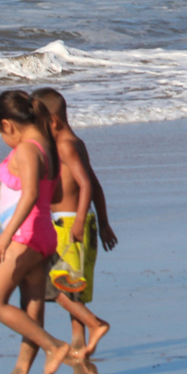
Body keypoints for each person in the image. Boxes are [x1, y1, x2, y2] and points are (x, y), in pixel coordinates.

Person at [0, 90, 80, 374]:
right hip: (43, 234)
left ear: (8, 125)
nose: (4, 139)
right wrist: (4, 193)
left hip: (24, 236)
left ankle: (54, 347)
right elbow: (32, 185)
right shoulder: (45, 146)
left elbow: (33, 194)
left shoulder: (26, 149)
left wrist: (6, 236)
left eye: (1, 133)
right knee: (32, 303)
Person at [34, 87, 117, 357]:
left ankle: (95, 325)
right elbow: (95, 184)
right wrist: (103, 223)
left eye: (38, 123)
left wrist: (81, 220)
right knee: (73, 292)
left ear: (53, 122)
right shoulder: (75, 143)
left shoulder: (66, 146)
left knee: (53, 286)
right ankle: (80, 346)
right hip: (75, 223)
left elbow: (85, 185)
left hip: (71, 226)